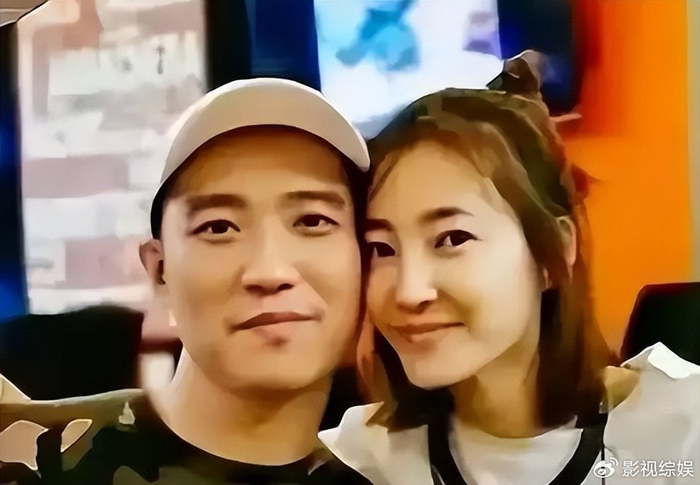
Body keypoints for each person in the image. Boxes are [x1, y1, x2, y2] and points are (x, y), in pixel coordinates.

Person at [319, 54, 700, 484]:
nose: (409, 292)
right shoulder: (362, 462)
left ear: (554, 249)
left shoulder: (682, 432)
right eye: (381, 248)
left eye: (452, 239)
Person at [0, 78, 373, 485]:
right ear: (159, 269)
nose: (270, 271)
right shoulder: (30, 452)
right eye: (218, 227)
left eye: (313, 221)